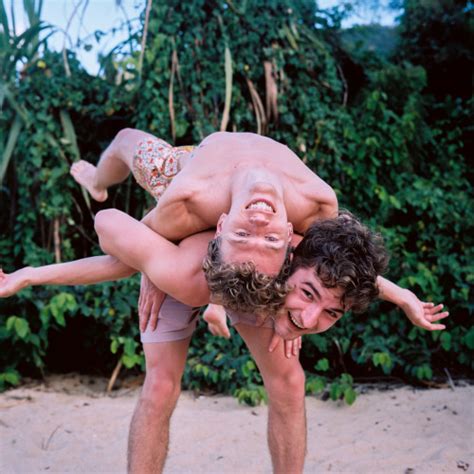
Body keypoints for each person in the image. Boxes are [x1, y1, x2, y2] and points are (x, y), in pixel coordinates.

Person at [0, 130, 448, 474]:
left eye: (272, 237)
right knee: (121, 144)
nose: (260, 220)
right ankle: (96, 179)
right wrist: (153, 263)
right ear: (218, 227)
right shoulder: (186, 203)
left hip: (226, 262)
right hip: (184, 171)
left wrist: (400, 295)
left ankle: (219, 303)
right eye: (248, 232)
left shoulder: (312, 214)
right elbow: (122, 246)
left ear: (293, 247)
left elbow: (340, 266)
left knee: (289, 383)